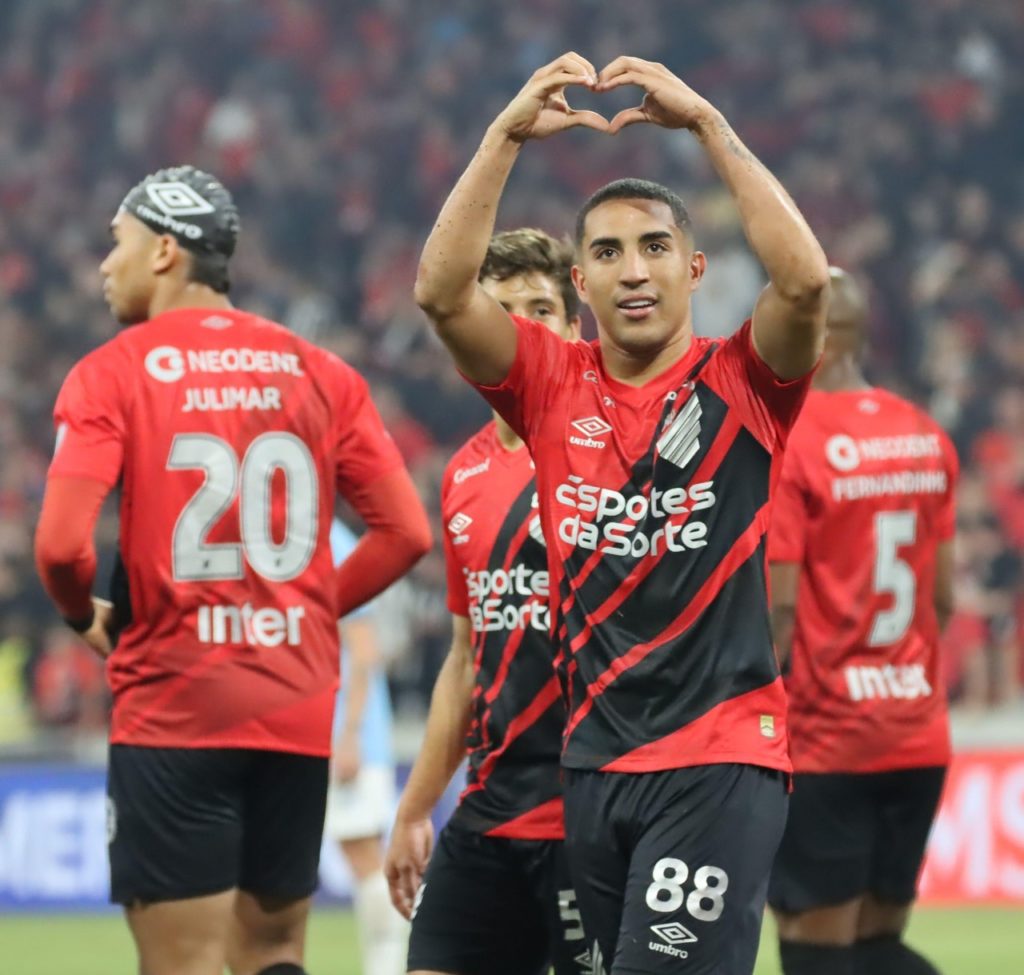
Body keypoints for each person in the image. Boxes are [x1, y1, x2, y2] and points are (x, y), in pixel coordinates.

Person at [413, 53, 830, 975]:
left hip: (718, 758)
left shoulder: (744, 383)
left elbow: (804, 285)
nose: (632, 271)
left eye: (652, 248)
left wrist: (708, 127)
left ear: (694, 267)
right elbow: (442, 293)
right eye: (606, 252)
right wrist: (502, 137)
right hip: (594, 768)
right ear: (581, 282)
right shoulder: (549, 384)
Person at [34, 165, 432, 975]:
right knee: (274, 953)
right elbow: (405, 532)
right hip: (291, 699)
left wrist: (85, 618)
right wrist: (313, 610)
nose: (104, 265)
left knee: (180, 963)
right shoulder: (322, 371)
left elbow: (58, 545)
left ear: (165, 252)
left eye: (118, 243)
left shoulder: (113, 370)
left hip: (175, 700)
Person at [386, 228, 587, 975]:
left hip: (588, 813)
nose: (523, 327)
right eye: (501, 310)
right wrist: (414, 809)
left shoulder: (615, 450)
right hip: (491, 808)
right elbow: (468, 659)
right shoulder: (464, 472)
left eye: (541, 307)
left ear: (575, 325)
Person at [766, 269, 958, 975]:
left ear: (807, 330)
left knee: (815, 956)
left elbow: (781, 609)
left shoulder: (793, 440)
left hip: (828, 741)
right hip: (917, 735)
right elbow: (941, 601)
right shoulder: (924, 434)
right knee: (877, 949)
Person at [324, 518, 407, 975]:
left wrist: (350, 733)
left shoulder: (333, 544)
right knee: (358, 854)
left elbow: (363, 648)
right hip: (321, 729)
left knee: (363, 854)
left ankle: (388, 967)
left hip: (348, 735)